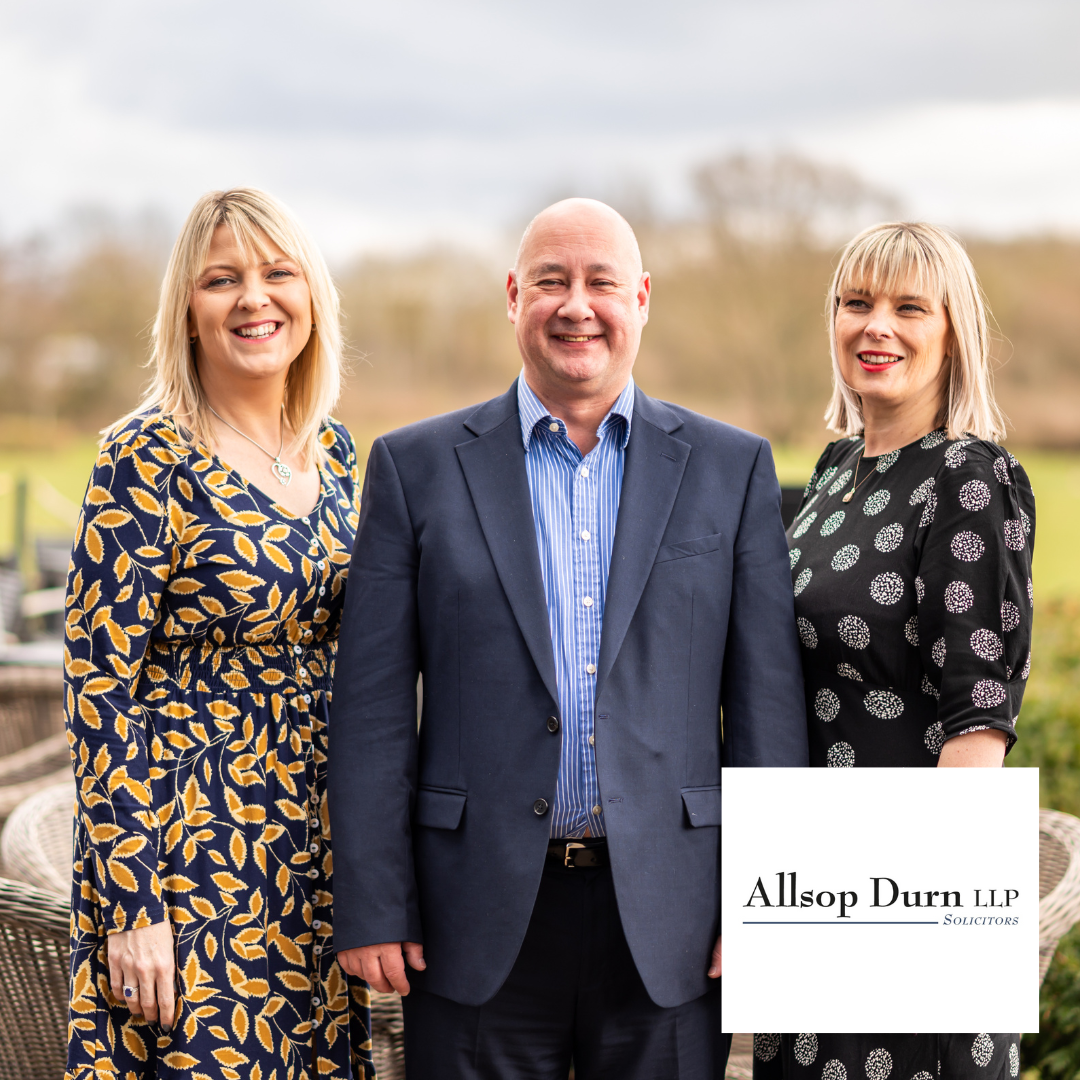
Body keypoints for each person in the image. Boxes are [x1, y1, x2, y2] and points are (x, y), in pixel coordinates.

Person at [328, 197, 808, 1079]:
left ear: (643, 299)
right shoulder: (414, 468)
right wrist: (373, 903)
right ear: (514, 296)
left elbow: (768, 706)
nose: (576, 305)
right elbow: (372, 709)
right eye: (551, 281)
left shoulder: (732, 468)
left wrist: (766, 904)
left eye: (601, 283)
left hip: (671, 916)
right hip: (470, 919)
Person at [63, 188, 374, 1080]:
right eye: (222, 279)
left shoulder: (337, 454)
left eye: (278, 274)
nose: (254, 298)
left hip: (305, 861)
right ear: (188, 311)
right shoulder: (145, 457)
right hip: (188, 859)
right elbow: (98, 685)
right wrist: (132, 907)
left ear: (312, 299)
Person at [754, 223, 1033, 1079]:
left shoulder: (969, 476)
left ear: (954, 331)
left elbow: (977, 727)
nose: (877, 326)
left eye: (910, 306)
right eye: (856, 303)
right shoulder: (836, 472)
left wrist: (920, 931)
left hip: (905, 898)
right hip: (809, 881)